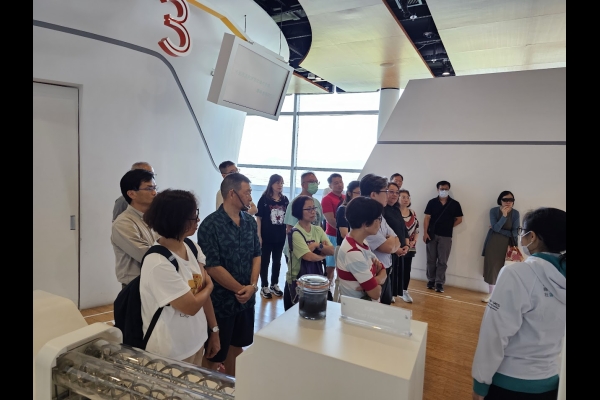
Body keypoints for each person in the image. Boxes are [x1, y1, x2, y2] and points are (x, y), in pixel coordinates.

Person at [471, 207, 566, 400]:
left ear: (532, 237)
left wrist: (480, 383)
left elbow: (494, 334)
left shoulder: (516, 274)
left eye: (522, 231)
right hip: (550, 383)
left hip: (508, 383)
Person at [140, 189, 220, 365]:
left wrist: (214, 330)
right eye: (193, 216)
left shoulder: (191, 246)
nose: (198, 219)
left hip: (196, 341)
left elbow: (201, 296)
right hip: (170, 352)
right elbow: (191, 306)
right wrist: (209, 287)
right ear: (177, 220)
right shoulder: (158, 262)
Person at [196, 173, 261, 377]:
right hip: (221, 303)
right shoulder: (210, 225)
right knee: (214, 354)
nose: (250, 197)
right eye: (247, 192)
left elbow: (257, 255)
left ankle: (233, 389)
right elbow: (212, 267)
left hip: (246, 300)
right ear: (232, 193)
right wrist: (241, 290)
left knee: (237, 347)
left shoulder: (249, 222)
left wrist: (252, 286)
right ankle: (207, 390)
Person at [283, 195, 335, 311]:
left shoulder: (318, 230)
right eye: (308, 209)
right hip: (298, 283)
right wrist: (322, 255)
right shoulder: (295, 233)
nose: (313, 212)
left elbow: (332, 251)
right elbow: (308, 256)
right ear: (299, 211)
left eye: (314, 208)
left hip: (316, 281)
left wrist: (317, 245)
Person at [111, 169, 159, 288]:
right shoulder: (123, 223)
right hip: (136, 287)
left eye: (155, 188)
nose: (155, 193)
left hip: (158, 283)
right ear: (132, 194)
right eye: (149, 188)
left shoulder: (156, 218)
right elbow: (149, 256)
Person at [360, 174, 401, 304]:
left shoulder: (379, 215)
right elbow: (389, 247)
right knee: (375, 310)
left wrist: (392, 241)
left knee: (385, 306)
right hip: (374, 272)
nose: (388, 195)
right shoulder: (366, 219)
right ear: (373, 194)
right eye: (385, 191)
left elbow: (397, 240)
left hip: (385, 269)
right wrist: (392, 241)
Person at [336, 197, 388, 301]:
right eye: (378, 219)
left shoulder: (361, 242)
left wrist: (376, 280)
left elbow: (383, 269)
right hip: (358, 308)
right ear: (365, 224)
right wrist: (378, 279)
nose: (379, 222)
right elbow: (375, 293)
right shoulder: (353, 252)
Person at [422, 180, 463, 293]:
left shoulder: (455, 204)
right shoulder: (432, 202)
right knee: (431, 259)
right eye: (441, 189)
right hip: (432, 234)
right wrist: (425, 232)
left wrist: (448, 226)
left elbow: (459, 219)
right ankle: (431, 280)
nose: (444, 191)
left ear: (448, 190)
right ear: (437, 190)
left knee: (442, 261)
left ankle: (439, 282)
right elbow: (427, 218)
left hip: (446, 236)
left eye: (446, 189)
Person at [481, 191, 520, 303]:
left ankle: (503, 295)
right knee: (492, 268)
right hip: (493, 243)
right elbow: (496, 228)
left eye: (511, 200)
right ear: (500, 200)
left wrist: (498, 230)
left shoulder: (516, 213)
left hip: (508, 245)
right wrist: (504, 216)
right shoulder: (493, 211)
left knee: (507, 269)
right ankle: (491, 294)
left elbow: (515, 233)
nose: (508, 202)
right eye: (505, 200)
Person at [256, 174, 289, 299]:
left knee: (277, 261)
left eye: (282, 183)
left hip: (280, 236)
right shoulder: (264, 199)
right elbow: (259, 218)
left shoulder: (284, 200)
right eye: (277, 183)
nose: (280, 185)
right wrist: (259, 235)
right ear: (271, 184)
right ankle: (264, 285)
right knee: (264, 261)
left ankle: (274, 284)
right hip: (266, 236)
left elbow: (288, 217)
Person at [332, 180, 361, 301]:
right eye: (357, 193)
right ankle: (336, 305)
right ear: (349, 193)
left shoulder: (361, 210)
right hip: (344, 248)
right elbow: (344, 234)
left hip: (357, 248)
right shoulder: (343, 209)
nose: (360, 195)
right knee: (341, 281)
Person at [383, 182, 410, 302]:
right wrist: (396, 249)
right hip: (389, 251)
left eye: (397, 192)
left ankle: (391, 295)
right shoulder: (382, 210)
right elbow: (384, 234)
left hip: (400, 250)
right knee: (388, 278)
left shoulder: (396, 209)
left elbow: (403, 229)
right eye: (391, 192)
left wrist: (407, 245)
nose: (394, 195)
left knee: (397, 277)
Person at [321, 173, 345, 283]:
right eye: (336, 183)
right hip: (332, 236)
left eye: (341, 182)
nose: (339, 185)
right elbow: (330, 220)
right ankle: (326, 290)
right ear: (330, 186)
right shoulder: (327, 199)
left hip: (344, 236)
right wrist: (343, 230)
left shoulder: (345, 198)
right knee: (330, 267)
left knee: (342, 266)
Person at [398, 189, 420, 303]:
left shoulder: (412, 213)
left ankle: (404, 290)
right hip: (397, 246)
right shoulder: (394, 212)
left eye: (407, 197)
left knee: (407, 269)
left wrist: (414, 241)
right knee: (395, 268)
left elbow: (417, 229)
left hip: (410, 246)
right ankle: (392, 291)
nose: (406, 199)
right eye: (403, 197)